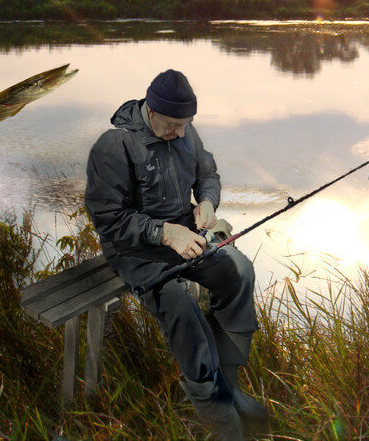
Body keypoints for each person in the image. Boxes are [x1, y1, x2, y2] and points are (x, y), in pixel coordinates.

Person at [84, 69, 267, 439]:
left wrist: (207, 201)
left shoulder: (186, 131)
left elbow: (207, 173)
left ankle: (230, 386)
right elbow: (108, 218)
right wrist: (165, 233)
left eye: (187, 124)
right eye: (174, 125)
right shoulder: (113, 146)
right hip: (135, 251)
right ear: (151, 112)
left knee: (239, 271)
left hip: (187, 234)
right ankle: (220, 419)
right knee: (181, 308)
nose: (182, 132)